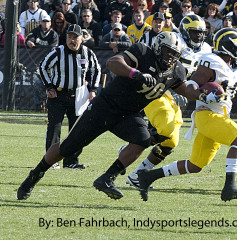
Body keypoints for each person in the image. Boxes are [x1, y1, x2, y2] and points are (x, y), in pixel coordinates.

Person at [16, 31, 197, 201]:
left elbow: (187, 90)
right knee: (68, 148)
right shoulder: (142, 52)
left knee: (143, 139)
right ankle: (36, 174)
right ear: (158, 47)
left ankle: (107, 178)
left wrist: (205, 94)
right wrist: (135, 73)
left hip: (128, 114)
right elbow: (113, 62)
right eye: (167, 52)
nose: (170, 57)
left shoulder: (175, 71)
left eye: (174, 54)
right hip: (104, 107)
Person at [136, 27, 237, 202]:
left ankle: (148, 176)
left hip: (220, 118)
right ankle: (229, 187)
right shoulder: (211, 61)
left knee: (196, 165)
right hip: (206, 115)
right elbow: (190, 86)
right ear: (228, 45)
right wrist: (202, 95)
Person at [125, 14, 211, 188]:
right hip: (160, 90)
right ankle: (133, 146)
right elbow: (159, 66)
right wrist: (171, 87)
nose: (199, 37)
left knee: (171, 141)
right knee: (166, 128)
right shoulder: (173, 42)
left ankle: (137, 175)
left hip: (179, 95)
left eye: (202, 33)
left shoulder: (207, 49)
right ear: (186, 32)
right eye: (195, 33)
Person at [38, 24, 101, 170]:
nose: (72, 40)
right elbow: (42, 67)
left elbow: (96, 70)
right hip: (58, 95)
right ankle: (51, 160)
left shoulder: (88, 53)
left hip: (78, 95)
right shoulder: (57, 52)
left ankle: (71, 161)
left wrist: (93, 89)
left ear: (81, 38)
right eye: (69, 37)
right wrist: (49, 87)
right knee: (55, 128)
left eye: (75, 37)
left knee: (77, 130)